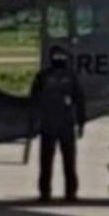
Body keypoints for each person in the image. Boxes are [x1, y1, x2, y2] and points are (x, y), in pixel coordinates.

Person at [29, 45, 85, 202]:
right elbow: (34, 100)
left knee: (68, 162)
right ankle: (46, 192)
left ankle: (69, 192)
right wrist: (33, 122)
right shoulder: (44, 77)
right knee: (47, 162)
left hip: (63, 125)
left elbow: (79, 100)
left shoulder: (69, 77)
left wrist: (80, 123)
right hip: (50, 125)